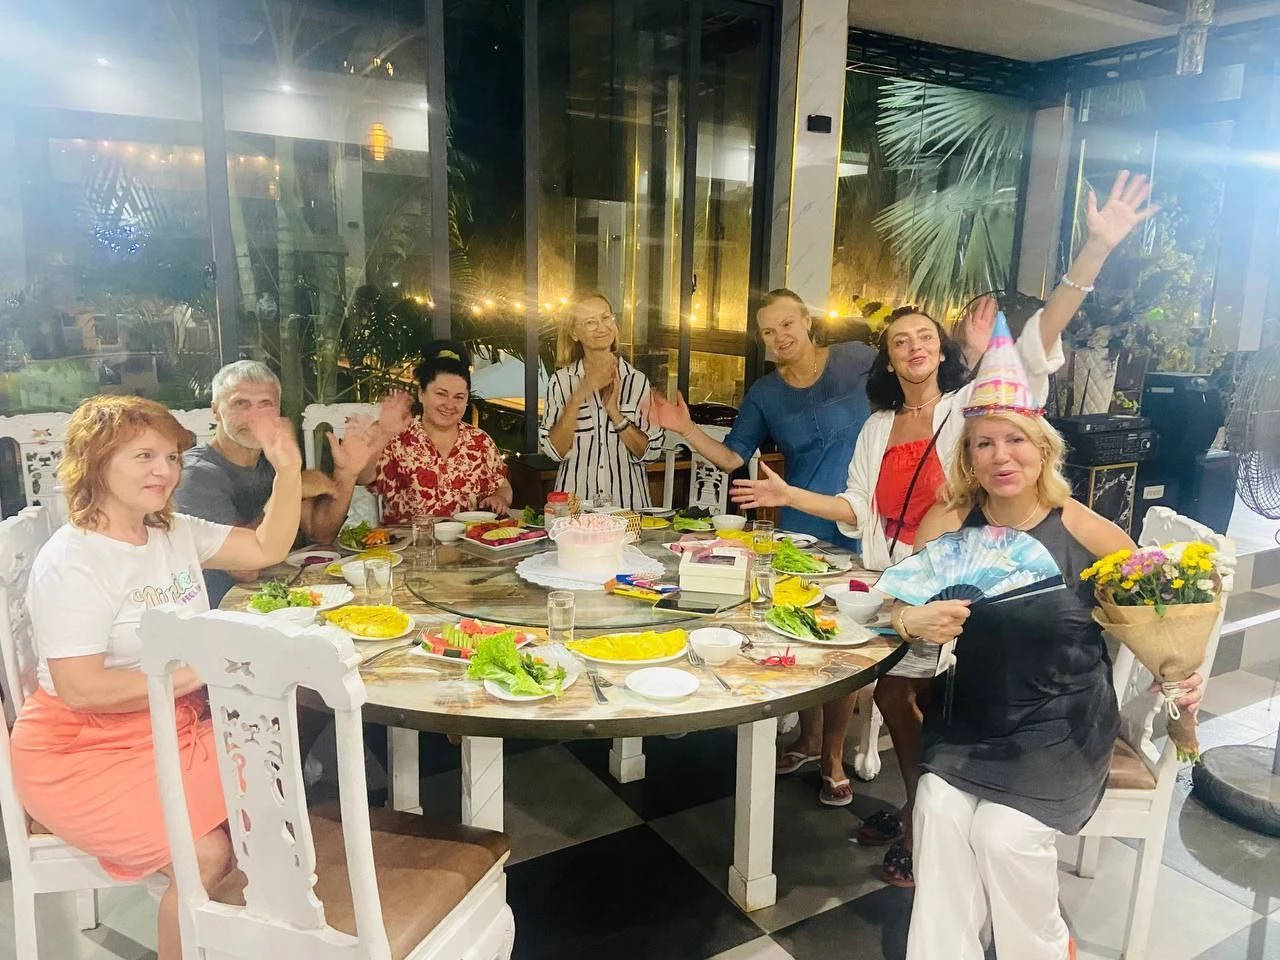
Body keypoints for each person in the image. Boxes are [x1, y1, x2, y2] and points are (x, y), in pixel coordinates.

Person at [729, 170, 1160, 874]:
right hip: (895, 577)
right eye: (899, 340)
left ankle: (919, 816)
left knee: (901, 688)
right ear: (887, 357)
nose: (913, 347)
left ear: (942, 348)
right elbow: (858, 506)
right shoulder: (877, 425)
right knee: (882, 678)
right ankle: (918, 806)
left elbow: (1039, 339)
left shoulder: (971, 410)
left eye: (924, 336)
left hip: (976, 598)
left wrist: (1094, 250)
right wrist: (791, 497)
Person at [897, 333, 1202, 960]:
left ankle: (1043, 949)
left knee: (1003, 836)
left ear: (1043, 448)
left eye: (1015, 440)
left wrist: (1183, 674)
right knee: (936, 811)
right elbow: (894, 603)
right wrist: (909, 619)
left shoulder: (1085, 531)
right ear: (968, 457)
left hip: (1062, 726)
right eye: (984, 443)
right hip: (971, 718)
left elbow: (1157, 617)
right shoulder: (948, 524)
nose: (1000, 456)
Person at [10, 394, 304, 960]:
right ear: (96, 462)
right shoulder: (74, 560)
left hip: (165, 726)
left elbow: (267, 546)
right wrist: (202, 669)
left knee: (273, 808)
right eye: (143, 456)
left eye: (171, 457)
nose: (164, 471)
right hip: (80, 749)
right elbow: (81, 690)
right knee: (209, 854)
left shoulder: (170, 531)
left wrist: (288, 470)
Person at [176, 360, 377, 606]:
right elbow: (245, 568)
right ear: (216, 410)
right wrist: (287, 485)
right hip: (224, 612)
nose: (254, 417)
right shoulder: (195, 475)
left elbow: (321, 532)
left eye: (265, 405)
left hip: (281, 600)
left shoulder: (273, 458)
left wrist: (347, 474)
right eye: (241, 404)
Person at [362, 341, 513, 522]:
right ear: (421, 394)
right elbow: (363, 477)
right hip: (408, 539)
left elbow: (503, 486)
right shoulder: (397, 438)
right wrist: (381, 435)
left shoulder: (480, 441)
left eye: (459, 397)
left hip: (469, 538)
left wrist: (500, 498)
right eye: (441, 394)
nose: (450, 405)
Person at [540, 293, 664, 509]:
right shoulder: (560, 382)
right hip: (575, 510)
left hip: (628, 509)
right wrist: (578, 396)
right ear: (574, 333)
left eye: (606, 318)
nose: (602, 327)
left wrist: (615, 413)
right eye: (590, 322)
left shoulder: (636, 381)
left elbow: (650, 453)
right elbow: (554, 452)